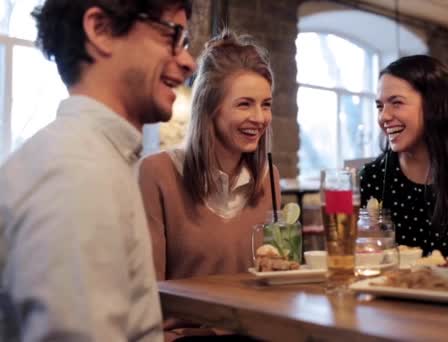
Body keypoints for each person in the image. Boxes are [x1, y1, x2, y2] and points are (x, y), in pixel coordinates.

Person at [0, 0, 196, 340]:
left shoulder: (95, 160)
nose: (188, 62)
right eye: (172, 35)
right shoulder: (78, 175)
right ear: (100, 30)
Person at [138, 30, 278, 340]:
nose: (259, 118)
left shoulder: (271, 178)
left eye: (265, 104)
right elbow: (149, 297)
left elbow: (275, 282)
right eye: (244, 104)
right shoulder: (156, 173)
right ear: (209, 108)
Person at [359, 55, 448, 258]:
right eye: (380, 106)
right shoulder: (372, 178)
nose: (383, 116)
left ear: (434, 105)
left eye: (396, 103)